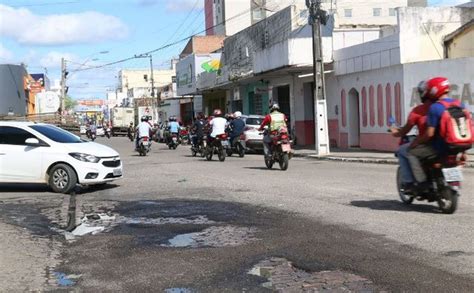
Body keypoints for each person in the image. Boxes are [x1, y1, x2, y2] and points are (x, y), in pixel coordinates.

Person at [408, 77, 464, 185]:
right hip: (458, 146)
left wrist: (416, 142)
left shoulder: (435, 107)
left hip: (440, 147)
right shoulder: (459, 104)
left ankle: (421, 181)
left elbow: (429, 134)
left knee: (411, 153)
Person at [390, 81, 431, 190]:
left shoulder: (419, 110)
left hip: (426, 144)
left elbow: (406, 129)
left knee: (403, 151)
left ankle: (409, 182)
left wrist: (396, 133)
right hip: (443, 144)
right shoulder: (445, 106)